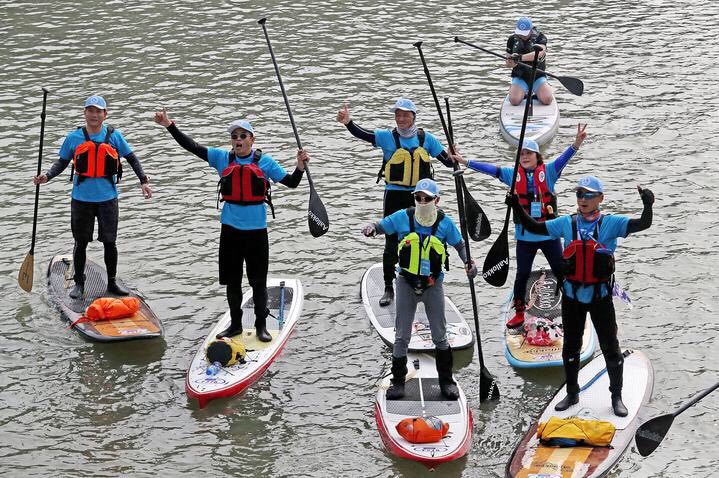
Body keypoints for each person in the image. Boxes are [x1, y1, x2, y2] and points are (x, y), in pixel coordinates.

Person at [154, 109, 308, 342]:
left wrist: (300, 166)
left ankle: (261, 326)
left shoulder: (265, 162)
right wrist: (169, 125)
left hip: (256, 233)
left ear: (252, 140)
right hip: (230, 232)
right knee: (233, 282)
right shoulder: (222, 158)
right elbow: (192, 147)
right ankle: (235, 325)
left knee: (258, 282)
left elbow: (292, 182)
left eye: (243, 136)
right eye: (234, 136)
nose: (238, 140)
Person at [508, 175, 654, 417]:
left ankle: (616, 397)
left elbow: (643, 224)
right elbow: (535, 227)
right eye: (579, 194)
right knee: (570, 348)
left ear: (600, 198)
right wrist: (516, 205)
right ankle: (572, 393)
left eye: (588, 194)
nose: (582, 199)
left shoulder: (611, 223)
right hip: (572, 297)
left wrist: (647, 205)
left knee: (611, 348)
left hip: (600, 297)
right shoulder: (567, 223)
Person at [455, 123, 588, 329]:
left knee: (562, 272)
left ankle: (574, 309)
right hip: (525, 237)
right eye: (522, 153)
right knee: (522, 275)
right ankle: (519, 313)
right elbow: (490, 170)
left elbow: (565, 159)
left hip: (549, 234)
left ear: (537, 156)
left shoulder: (550, 172)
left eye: (529, 153)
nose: (525, 157)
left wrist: (576, 143)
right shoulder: (512, 174)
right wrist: (465, 162)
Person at [362, 178, 477, 400]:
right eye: (418, 198)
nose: (422, 202)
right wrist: (371, 228)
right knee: (401, 336)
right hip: (406, 282)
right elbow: (381, 226)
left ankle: (446, 382)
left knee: (440, 336)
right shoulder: (403, 217)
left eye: (427, 199)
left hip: (433, 285)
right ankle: (398, 382)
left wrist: (468, 262)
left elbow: (460, 244)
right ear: (414, 198)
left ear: (437, 200)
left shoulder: (445, 223)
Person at [337, 98, 455, 307]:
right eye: (397, 114)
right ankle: (388, 287)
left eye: (405, 115)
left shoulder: (426, 139)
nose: (401, 119)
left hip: (421, 198)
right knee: (391, 242)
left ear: (413, 117)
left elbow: (447, 161)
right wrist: (348, 122)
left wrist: (454, 156)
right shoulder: (387, 137)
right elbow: (363, 134)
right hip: (394, 195)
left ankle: (423, 282)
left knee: (424, 239)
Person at [33, 95, 152, 299]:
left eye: (98, 111)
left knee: (110, 242)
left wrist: (143, 181)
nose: (94, 115)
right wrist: (47, 176)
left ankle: (112, 282)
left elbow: (132, 158)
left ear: (105, 114)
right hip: (81, 200)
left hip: (107, 199)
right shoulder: (74, 138)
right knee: (80, 242)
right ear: (85, 113)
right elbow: (62, 162)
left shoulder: (114, 136)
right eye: (90, 110)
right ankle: (79, 283)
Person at [505, 16, 554, 106]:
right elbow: (508, 65)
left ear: (531, 30)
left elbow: (540, 53)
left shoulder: (540, 37)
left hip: (537, 76)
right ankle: (522, 92)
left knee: (547, 99)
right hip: (520, 76)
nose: (522, 36)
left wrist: (520, 58)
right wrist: (511, 61)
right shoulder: (512, 39)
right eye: (520, 33)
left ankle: (538, 92)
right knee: (514, 101)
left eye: (525, 33)